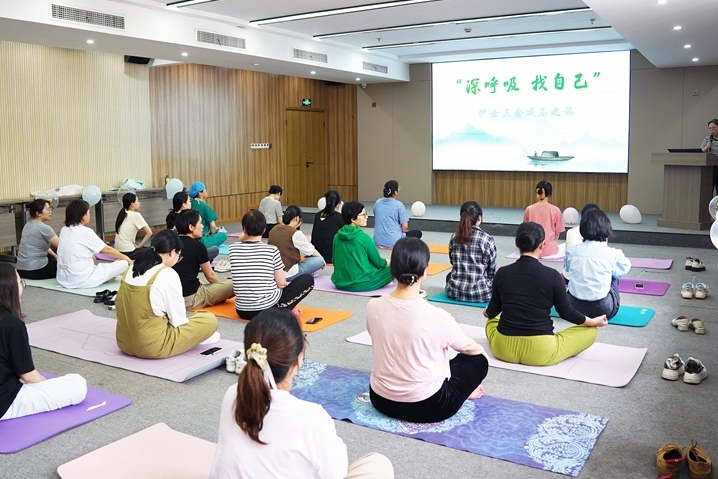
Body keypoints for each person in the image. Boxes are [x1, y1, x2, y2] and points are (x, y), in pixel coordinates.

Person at [209, 308, 394, 479]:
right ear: (298, 360)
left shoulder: (233, 394)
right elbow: (336, 473)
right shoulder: (311, 417)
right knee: (378, 465)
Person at [367, 238, 489, 424]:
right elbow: (467, 348)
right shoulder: (436, 316)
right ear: (425, 270)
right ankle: (465, 392)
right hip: (428, 407)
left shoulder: (372, 306)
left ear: (393, 269)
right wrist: (481, 354)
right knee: (478, 359)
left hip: (380, 399)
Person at [484, 222, 608, 366]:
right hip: (541, 351)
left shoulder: (502, 273)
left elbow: (493, 310)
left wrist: (487, 312)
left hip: (503, 349)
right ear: (542, 245)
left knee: (491, 321)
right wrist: (593, 322)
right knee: (591, 332)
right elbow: (566, 312)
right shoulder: (553, 276)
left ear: (516, 243)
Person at [0, 264, 87, 420]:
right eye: (20, 282)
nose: (22, 287)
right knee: (78, 384)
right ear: (10, 289)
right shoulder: (12, 325)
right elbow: (28, 376)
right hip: (5, 401)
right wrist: (46, 386)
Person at [115, 229, 219, 359]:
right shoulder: (167, 274)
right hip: (152, 347)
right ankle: (199, 338)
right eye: (179, 256)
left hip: (123, 343)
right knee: (209, 320)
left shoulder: (132, 268)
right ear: (172, 252)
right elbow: (178, 321)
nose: (178, 260)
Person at [229, 210, 314, 320]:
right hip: (267, 310)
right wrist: (289, 304)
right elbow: (281, 284)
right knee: (308, 279)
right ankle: (285, 309)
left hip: (242, 311)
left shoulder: (233, 249)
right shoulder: (271, 250)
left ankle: (285, 307)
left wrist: (246, 232)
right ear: (264, 230)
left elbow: (241, 239)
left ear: (244, 230)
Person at [564, 209, 631, 319]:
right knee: (614, 274)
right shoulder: (613, 253)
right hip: (602, 310)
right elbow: (624, 269)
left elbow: (567, 269)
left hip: (574, 308)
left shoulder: (571, 251)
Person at [56, 200, 131, 289]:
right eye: (88, 213)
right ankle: (103, 278)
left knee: (93, 259)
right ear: (82, 216)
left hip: (63, 278)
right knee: (124, 263)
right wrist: (126, 258)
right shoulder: (85, 231)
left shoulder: (64, 229)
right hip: (82, 279)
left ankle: (104, 277)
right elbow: (107, 250)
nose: (89, 215)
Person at [174, 210, 234, 309]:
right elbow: (211, 276)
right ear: (191, 227)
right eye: (200, 223)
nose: (202, 226)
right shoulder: (197, 246)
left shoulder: (170, 242)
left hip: (171, 298)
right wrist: (219, 290)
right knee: (236, 283)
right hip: (190, 299)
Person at [331, 202, 392, 292]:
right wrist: (393, 261)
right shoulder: (364, 238)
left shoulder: (336, 237)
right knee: (399, 266)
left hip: (340, 283)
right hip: (362, 284)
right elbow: (379, 263)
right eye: (363, 215)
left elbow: (334, 260)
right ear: (353, 219)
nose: (366, 217)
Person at [445, 201, 497, 303]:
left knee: (449, 276)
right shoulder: (487, 240)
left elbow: (452, 262)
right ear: (479, 218)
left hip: (455, 292)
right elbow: (491, 271)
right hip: (482, 293)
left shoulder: (454, 237)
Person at [268, 205, 325, 281]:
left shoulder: (274, 229)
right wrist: (322, 260)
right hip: (288, 273)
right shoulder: (295, 233)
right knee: (319, 260)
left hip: (273, 272)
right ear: (297, 218)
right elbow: (310, 250)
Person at [168, 191, 219, 263]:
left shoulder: (172, 216)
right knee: (214, 249)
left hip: (177, 250)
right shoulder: (185, 219)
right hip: (187, 249)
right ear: (183, 204)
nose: (191, 203)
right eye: (189, 201)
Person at [16, 199, 59, 280]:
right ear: (38, 213)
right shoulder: (44, 228)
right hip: (35, 271)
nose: (50, 212)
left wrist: (54, 255)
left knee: (51, 257)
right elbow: (62, 246)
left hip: (21, 270)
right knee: (66, 265)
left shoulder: (27, 225)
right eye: (48, 209)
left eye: (50, 209)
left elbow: (38, 246)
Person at [373, 180, 422, 248]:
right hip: (395, 242)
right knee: (418, 233)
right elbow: (405, 227)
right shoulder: (399, 205)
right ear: (395, 192)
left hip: (377, 241)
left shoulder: (377, 203)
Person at [523, 180, 564, 257]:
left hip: (532, 250)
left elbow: (524, 230)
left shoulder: (529, 209)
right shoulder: (556, 210)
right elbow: (557, 233)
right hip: (550, 251)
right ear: (549, 194)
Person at [563, 203, 599, 281]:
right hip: (594, 278)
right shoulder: (602, 234)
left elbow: (567, 262)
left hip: (570, 276)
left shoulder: (571, 231)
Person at [114, 192, 153, 260]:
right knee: (152, 250)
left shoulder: (122, 214)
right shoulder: (136, 215)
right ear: (132, 204)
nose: (139, 203)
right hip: (129, 252)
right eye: (137, 201)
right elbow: (149, 233)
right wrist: (139, 247)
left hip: (118, 251)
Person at [188, 181, 228, 250]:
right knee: (223, 234)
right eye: (205, 189)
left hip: (188, 239)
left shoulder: (189, 204)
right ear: (200, 193)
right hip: (200, 241)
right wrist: (215, 234)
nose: (206, 191)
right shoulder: (204, 206)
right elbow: (213, 226)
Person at [310, 189, 345, 264]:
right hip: (332, 256)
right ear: (339, 203)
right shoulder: (340, 217)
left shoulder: (317, 215)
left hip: (316, 254)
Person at [701, 119, 718, 195]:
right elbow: (700, 152)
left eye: (713, 128)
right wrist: (706, 147)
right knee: (707, 191)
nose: (711, 130)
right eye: (710, 128)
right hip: (709, 168)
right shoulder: (708, 139)